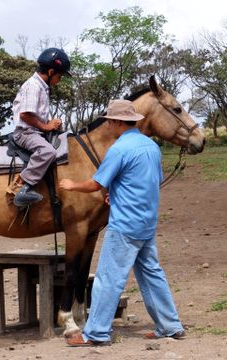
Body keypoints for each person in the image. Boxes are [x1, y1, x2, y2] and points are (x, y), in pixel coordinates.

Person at [59, 99, 185, 347]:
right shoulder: (151, 146)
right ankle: (170, 326)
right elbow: (149, 180)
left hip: (125, 223)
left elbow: (96, 183)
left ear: (118, 122)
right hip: (146, 222)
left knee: (108, 277)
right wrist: (115, 192)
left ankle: (95, 333)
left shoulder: (119, 149)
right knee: (152, 274)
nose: (108, 126)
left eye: (109, 121)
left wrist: (71, 185)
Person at [10, 47, 71, 207]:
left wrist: (51, 124)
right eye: (60, 76)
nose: (60, 80)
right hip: (25, 133)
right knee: (48, 151)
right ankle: (22, 187)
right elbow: (25, 115)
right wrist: (45, 126)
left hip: (35, 132)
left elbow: (36, 115)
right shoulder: (33, 86)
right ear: (51, 72)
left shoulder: (43, 87)